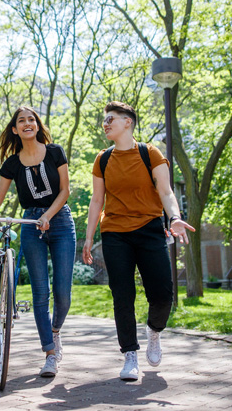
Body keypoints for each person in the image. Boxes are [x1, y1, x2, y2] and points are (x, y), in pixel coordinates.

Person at [81, 101, 195, 381]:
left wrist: (175, 218)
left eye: (110, 119)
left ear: (127, 122)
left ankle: (154, 331)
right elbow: (97, 200)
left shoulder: (150, 153)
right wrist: (88, 237)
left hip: (149, 228)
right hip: (115, 232)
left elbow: (166, 191)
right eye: (104, 120)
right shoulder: (103, 159)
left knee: (162, 294)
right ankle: (130, 354)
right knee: (122, 295)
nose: (105, 124)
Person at [0, 106, 76, 378]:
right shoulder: (12, 164)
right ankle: (50, 353)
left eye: (31, 120)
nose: (27, 123)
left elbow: (65, 191)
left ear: (37, 126)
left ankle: (55, 331)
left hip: (59, 220)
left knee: (63, 293)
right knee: (40, 294)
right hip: (30, 225)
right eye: (21, 121)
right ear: (15, 129)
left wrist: (48, 215)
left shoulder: (55, 152)